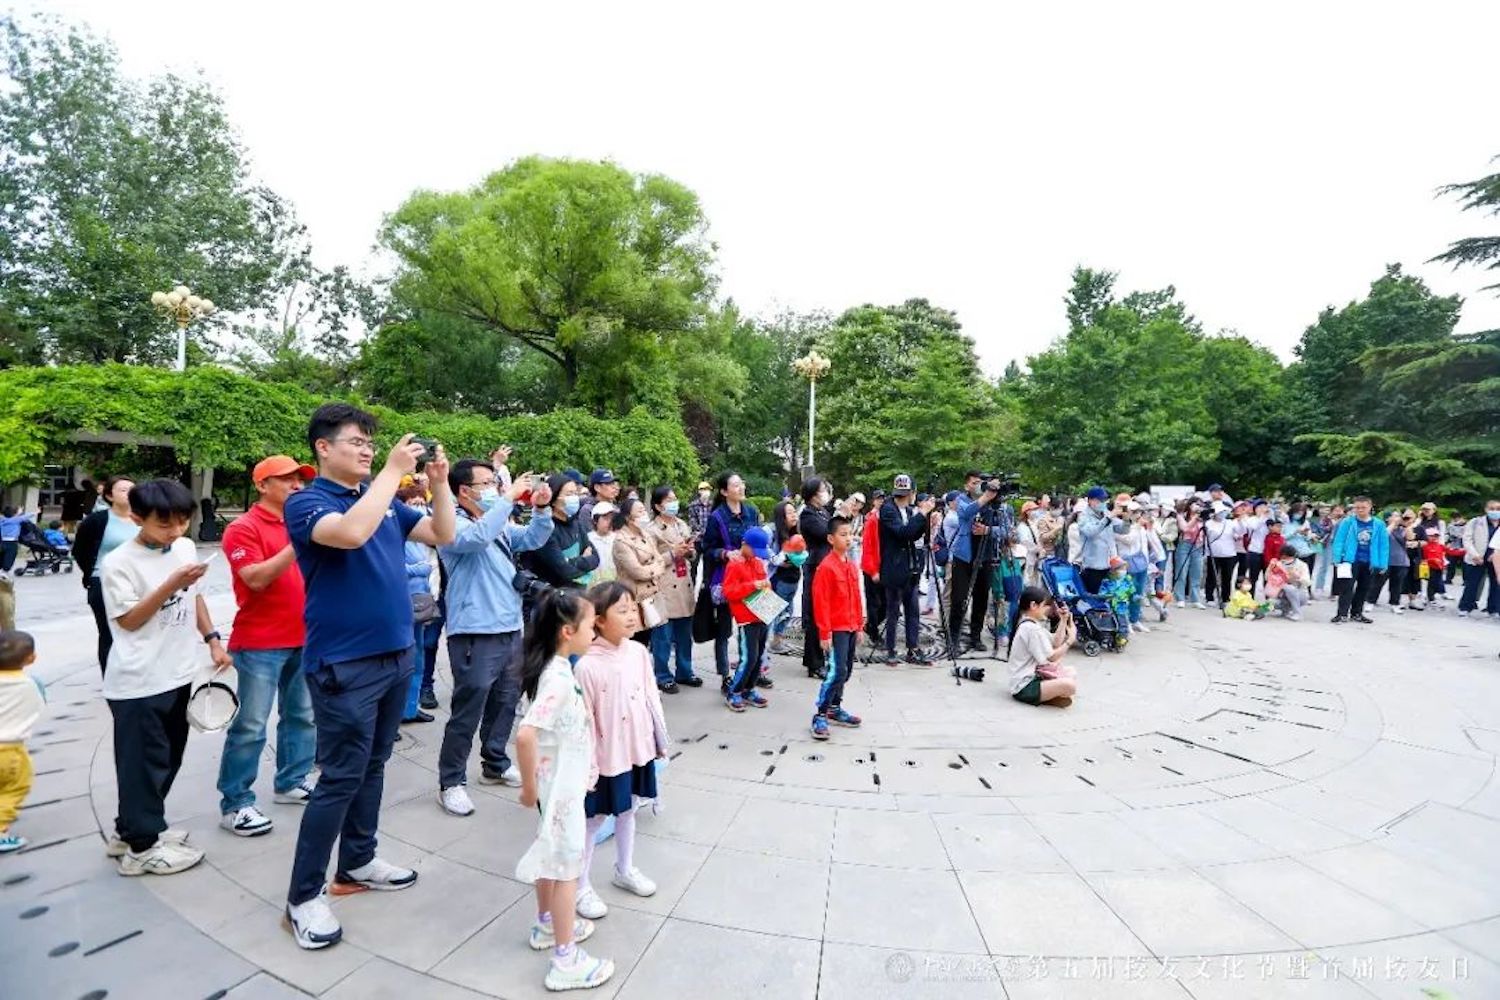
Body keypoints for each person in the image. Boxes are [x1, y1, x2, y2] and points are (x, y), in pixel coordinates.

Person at [282, 404, 455, 950]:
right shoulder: (308, 503)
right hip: (344, 665)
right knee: (338, 777)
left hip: (395, 655)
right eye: (355, 441)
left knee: (374, 766)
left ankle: (357, 860)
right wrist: (388, 475)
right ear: (323, 448)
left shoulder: (380, 502)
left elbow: (442, 533)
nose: (366, 450)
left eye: (370, 444)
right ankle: (304, 896)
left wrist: (440, 485)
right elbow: (351, 536)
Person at [102, 479, 230, 875]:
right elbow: (128, 620)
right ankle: (142, 849)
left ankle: (133, 829)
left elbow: (194, 598)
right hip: (138, 680)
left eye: (181, 522)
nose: (175, 532)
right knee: (143, 764)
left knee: (167, 759)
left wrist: (211, 638)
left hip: (177, 673)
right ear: (136, 517)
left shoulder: (185, 548)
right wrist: (171, 583)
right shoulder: (119, 562)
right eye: (164, 525)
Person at [434, 460, 554, 818]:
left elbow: (533, 538)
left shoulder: (498, 523)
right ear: (464, 491)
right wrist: (508, 499)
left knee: (505, 702)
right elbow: (473, 540)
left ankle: (495, 762)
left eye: (494, 482)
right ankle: (451, 782)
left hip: (509, 626)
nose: (494, 488)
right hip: (474, 631)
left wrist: (542, 508)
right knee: (468, 709)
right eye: (486, 483)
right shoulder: (451, 523)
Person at [513, 589, 614, 992]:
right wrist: (528, 787)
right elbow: (525, 735)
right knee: (567, 867)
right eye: (591, 625)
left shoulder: (555, 668)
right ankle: (565, 959)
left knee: (550, 857)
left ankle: (546, 925)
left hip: (560, 786)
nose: (595, 631)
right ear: (568, 631)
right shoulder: (556, 677)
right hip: (560, 794)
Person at [216, 456, 318, 839]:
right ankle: (236, 802)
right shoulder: (243, 528)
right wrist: (296, 542)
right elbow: (255, 578)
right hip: (260, 640)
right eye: (287, 479)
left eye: (300, 480)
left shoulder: (304, 523)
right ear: (262, 485)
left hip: (305, 635)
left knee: (302, 715)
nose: (297, 486)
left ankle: (292, 780)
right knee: (251, 724)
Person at [573, 583, 667, 922]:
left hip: (636, 748)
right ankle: (580, 886)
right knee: (593, 820)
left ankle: (624, 869)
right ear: (598, 620)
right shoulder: (586, 666)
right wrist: (589, 767)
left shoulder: (638, 653)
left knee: (629, 808)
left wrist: (659, 742)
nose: (631, 616)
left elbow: (651, 699)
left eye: (632, 608)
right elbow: (584, 723)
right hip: (604, 757)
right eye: (622, 610)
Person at [70, 476, 138, 672]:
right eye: (123, 490)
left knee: (137, 632)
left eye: (132, 489)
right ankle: (110, 676)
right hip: (104, 582)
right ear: (109, 495)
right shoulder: (97, 521)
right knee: (109, 633)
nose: (129, 493)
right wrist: (92, 576)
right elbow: (80, 552)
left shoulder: (144, 518)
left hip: (138, 582)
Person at [700, 472, 761, 684]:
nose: (741, 487)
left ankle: (751, 670)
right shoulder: (717, 517)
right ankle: (725, 675)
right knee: (724, 629)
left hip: (752, 576)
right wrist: (725, 554)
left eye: (742, 483)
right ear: (725, 491)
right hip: (728, 578)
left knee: (754, 625)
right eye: (736, 485)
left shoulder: (751, 511)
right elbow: (707, 548)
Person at [811, 516, 864, 741]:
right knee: (837, 671)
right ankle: (820, 714)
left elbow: (856, 597)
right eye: (843, 534)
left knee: (846, 671)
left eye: (849, 533)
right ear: (831, 539)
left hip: (851, 626)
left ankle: (835, 707)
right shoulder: (826, 567)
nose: (848, 538)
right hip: (836, 628)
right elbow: (820, 602)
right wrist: (825, 632)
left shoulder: (850, 565)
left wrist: (860, 625)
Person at [646, 486, 701, 692]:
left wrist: (689, 552)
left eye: (675, 499)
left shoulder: (681, 524)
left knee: (684, 635)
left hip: (683, 583)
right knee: (663, 637)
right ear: (659, 506)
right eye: (669, 500)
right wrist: (673, 553)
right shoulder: (651, 530)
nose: (674, 503)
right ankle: (662, 675)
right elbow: (650, 560)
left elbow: (691, 556)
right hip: (664, 586)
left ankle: (685, 672)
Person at [877, 475, 935, 665]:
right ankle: (891, 649)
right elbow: (903, 534)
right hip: (894, 568)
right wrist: (921, 514)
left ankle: (913, 648)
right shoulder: (887, 510)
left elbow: (916, 534)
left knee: (913, 610)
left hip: (912, 567)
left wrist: (926, 519)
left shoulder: (910, 511)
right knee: (893, 611)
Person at [947, 472, 1004, 652]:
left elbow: (1007, 532)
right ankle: (953, 638)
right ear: (967, 486)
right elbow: (965, 512)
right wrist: (986, 496)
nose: (979, 486)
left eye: (982, 483)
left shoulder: (997, 505)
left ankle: (975, 637)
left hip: (986, 556)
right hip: (964, 556)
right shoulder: (962, 500)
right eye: (975, 483)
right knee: (959, 599)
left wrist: (988, 530)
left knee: (981, 599)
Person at [400, 485, 441, 724]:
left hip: (427, 602)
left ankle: (410, 707)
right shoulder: (400, 535)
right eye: (411, 503)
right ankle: (393, 715)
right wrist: (420, 569)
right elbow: (392, 567)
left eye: (420, 502)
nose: (417, 507)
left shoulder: (427, 535)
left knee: (419, 657)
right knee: (403, 662)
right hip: (406, 602)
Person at [0, 630, 43, 852]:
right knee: (14, 789)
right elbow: (39, 705)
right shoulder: (32, 684)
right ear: (31, 658)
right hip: (11, 751)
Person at [722, 525, 773, 712]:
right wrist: (753, 585)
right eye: (754, 550)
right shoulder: (735, 564)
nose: (755, 555)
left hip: (761, 613)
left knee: (759, 656)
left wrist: (766, 585)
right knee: (749, 657)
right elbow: (729, 592)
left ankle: (749, 688)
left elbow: (764, 585)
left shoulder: (758, 562)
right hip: (746, 618)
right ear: (744, 544)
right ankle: (734, 691)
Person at [527, 475, 601, 595]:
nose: (574, 498)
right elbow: (564, 571)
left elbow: (595, 559)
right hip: (552, 599)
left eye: (575, 493)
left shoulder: (576, 524)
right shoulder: (545, 530)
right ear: (554, 498)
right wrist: (583, 560)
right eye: (569, 494)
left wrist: (571, 561)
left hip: (579, 595)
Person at [1007, 587, 1077, 706]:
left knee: (1071, 671)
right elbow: (1052, 657)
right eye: (1046, 605)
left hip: (1035, 676)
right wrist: (1070, 640)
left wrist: (1063, 621)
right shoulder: (1030, 628)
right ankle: (1048, 697)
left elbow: (1055, 642)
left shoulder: (1032, 624)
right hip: (1024, 686)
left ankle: (1050, 695)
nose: (1048, 609)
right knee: (1070, 686)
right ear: (1033, 605)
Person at [610, 497, 665, 643]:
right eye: (640, 511)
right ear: (628, 517)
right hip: (634, 597)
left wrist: (653, 566)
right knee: (634, 639)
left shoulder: (645, 534)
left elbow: (660, 560)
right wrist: (655, 568)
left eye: (644, 510)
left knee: (647, 638)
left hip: (650, 595)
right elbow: (637, 571)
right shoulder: (621, 541)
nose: (644, 514)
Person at [1329, 495, 1387, 625]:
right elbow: (1339, 540)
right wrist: (1337, 558)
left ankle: (1357, 613)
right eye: (1357, 507)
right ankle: (1342, 614)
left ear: (1370, 507)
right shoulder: (1348, 522)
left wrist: (1383, 563)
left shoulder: (1379, 524)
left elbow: (1383, 545)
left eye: (1363, 507)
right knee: (1346, 587)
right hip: (1349, 560)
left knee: (1364, 588)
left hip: (1369, 561)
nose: (1360, 510)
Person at [799, 478, 834, 678]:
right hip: (816, 567)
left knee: (824, 614)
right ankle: (814, 663)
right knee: (814, 616)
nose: (826, 494)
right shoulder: (808, 516)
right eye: (823, 490)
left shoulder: (822, 512)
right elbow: (828, 533)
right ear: (813, 495)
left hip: (826, 567)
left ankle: (821, 656)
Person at [766, 499, 804, 660]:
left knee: (787, 612)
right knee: (771, 612)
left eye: (794, 511)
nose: (794, 515)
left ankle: (777, 642)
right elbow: (762, 549)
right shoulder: (771, 531)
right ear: (781, 516)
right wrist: (777, 559)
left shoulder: (796, 532)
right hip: (776, 578)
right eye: (789, 513)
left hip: (792, 578)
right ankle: (758, 647)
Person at [1075, 486, 1125, 595]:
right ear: (1090, 501)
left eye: (1104, 500)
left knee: (1109, 598)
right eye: (1100, 500)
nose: (1103, 503)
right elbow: (1091, 532)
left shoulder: (1106, 513)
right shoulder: (1084, 516)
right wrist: (1107, 519)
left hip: (1109, 564)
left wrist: (1128, 518)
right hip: (1093, 566)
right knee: (1093, 598)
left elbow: (1122, 530)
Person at [1458, 499, 1500, 617]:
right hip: (1478, 556)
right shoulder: (1476, 522)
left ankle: (1494, 609)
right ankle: (1465, 607)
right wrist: (1474, 554)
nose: (1495, 511)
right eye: (1492, 509)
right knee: (1472, 583)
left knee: (1496, 584)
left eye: (1498, 509)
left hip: (1495, 557)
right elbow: (1467, 539)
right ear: (1486, 509)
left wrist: (1496, 554)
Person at [1203, 504, 1241, 609]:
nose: (1221, 514)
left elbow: (1240, 532)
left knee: (1227, 577)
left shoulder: (1230, 523)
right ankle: (1209, 597)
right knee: (1212, 576)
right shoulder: (1208, 523)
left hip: (1229, 553)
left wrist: (1240, 520)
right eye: (1220, 512)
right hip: (1214, 553)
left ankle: (1225, 598)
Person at [859, 494, 885, 646]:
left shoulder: (882, 519)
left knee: (884, 603)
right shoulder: (872, 520)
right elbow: (868, 546)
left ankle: (870, 627)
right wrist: (872, 569)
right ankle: (873, 632)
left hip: (882, 567)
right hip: (872, 568)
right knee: (874, 603)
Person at [1172, 501, 1207, 609]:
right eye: (1195, 504)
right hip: (1185, 545)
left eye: (1200, 505)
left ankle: (1195, 599)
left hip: (1198, 545)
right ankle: (1180, 598)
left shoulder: (1202, 518)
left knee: (1197, 572)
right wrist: (1195, 518)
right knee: (1182, 572)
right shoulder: (1181, 516)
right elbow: (1185, 528)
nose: (1198, 507)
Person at [1381, 511, 1414, 614]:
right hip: (1385, 560)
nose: (1398, 518)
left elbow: (1410, 538)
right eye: (1394, 516)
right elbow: (1384, 535)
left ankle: (1394, 603)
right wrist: (1393, 524)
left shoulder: (1402, 529)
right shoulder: (1383, 528)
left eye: (1398, 516)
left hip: (1401, 561)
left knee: (1397, 584)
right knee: (1378, 582)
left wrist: (1408, 526)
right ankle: (1370, 601)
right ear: (1387, 518)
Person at [1264, 550, 1310, 620]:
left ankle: (1297, 612)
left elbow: (1307, 582)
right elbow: (1267, 578)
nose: (1284, 560)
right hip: (1281, 595)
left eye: (1286, 558)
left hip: (1299, 594)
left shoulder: (1302, 565)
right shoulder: (1278, 564)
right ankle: (1285, 611)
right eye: (1283, 558)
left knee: (1290, 588)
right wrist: (1269, 569)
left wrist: (1297, 577)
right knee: (1271, 603)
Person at [1097, 557, 1136, 634]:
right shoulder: (1107, 581)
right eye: (1120, 569)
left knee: (1123, 619)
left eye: (1124, 569)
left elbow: (1131, 590)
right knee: (1110, 620)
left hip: (1122, 604)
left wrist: (1132, 596)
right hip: (1109, 605)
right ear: (1113, 570)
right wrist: (1106, 595)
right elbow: (1102, 592)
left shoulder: (1126, 580)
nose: (1123, 571)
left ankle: (1123, 634)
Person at [685, 480, 712, 585]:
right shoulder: (693, 505)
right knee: (693, 566)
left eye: (708, 489)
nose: (706, 492)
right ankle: (692, 588)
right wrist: (703, 531)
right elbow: (693, 522)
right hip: (697, 539)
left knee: (708, 566)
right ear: (699, 491)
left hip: (709, 540)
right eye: (704, 489)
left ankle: (705, 589)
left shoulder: (713, 505)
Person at [585, 501, 619, 583]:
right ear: (595, 521)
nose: (609, 522)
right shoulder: (587, 539)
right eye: (605, 519)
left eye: (612, 518)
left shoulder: (617, 539)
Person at [0, 506, 34, 572]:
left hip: (3, 541)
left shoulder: (2, 520)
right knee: (10, 557)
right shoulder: (16, 520)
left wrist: (17, 513)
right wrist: (36, 512)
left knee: (2, 556)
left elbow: (13, 517)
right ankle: (5, 570)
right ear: (13, 514)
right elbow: (26, 516)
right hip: (12, 542)